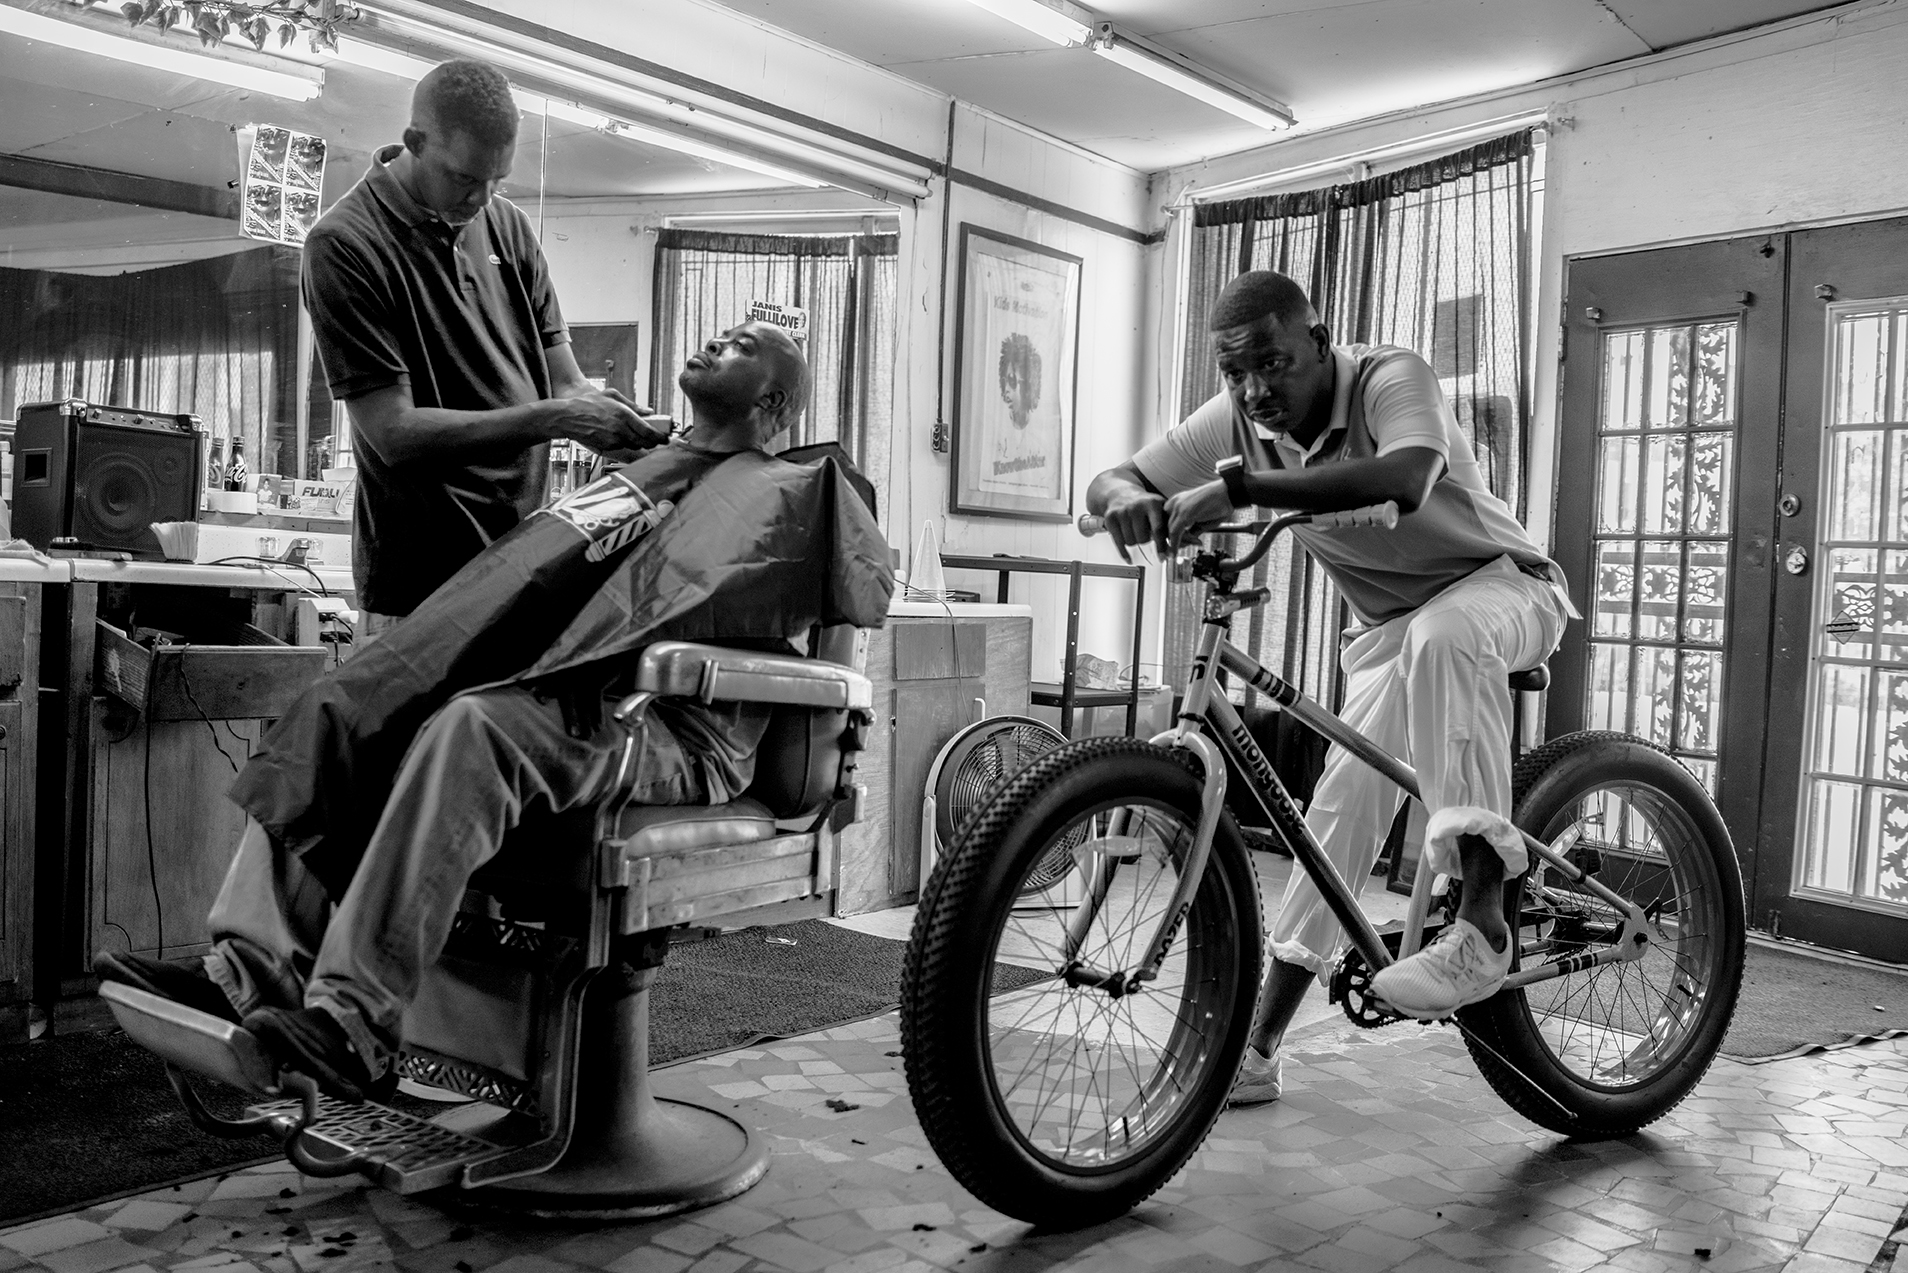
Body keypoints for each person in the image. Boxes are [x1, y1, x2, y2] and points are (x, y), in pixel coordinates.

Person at [97, 322, 893, 1101]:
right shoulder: (644, 471)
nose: (719, 340)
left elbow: (865, 584)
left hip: (675, 726)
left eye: (744, 347)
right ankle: (244, 981)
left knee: (472, 728)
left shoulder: (791, 490)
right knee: (350, 708)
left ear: (775, 403)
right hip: (574, 699)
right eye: (724, 332)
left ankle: (349, 1020)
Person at [1086, 270, 1574, 1106]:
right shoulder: (1239, 414)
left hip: (1503, 586)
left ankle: (1483, 925)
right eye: (1234, 373)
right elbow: (1116, 476)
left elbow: (1407, 476)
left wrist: (1237, 486)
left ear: (1319, 343)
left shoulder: (1390, 376)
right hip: (1392, 631)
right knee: (1339, 809)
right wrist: (1130, 497)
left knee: (1445, 634)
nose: (1253, 390)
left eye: (1271, 364)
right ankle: (1261, 1049)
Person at [303, 58, 669, 624]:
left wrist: (635, 440)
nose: (481, 198)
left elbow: (565, 382)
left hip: (520, 567)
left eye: (498, 179)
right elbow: (393, 432)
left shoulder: (509, 225)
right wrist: (555, 418)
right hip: (420, 584)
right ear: (415, 143)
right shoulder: (345, 244)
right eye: (465, 178)